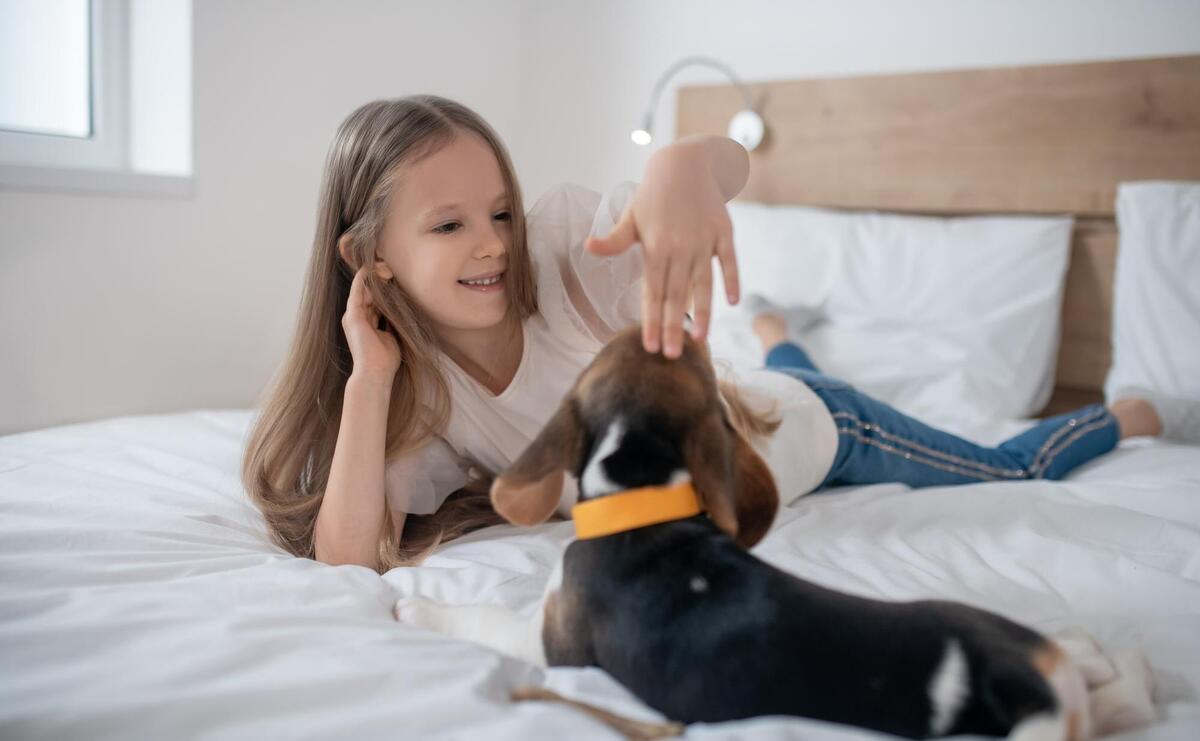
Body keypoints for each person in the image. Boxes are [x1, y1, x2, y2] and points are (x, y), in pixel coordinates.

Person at [241, 94, 1178, 575]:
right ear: (371, 254)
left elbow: (721, 170)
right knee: (760, 376)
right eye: (449, 226)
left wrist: (687, 160)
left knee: (1010, 468)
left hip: (820, 435)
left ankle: (1122, 415)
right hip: (747, 406)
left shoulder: (570, 249)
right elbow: (347, 556)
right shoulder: (417, 398)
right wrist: (367, 380)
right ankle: (777, 337)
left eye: (498, 211)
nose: (493, 242)